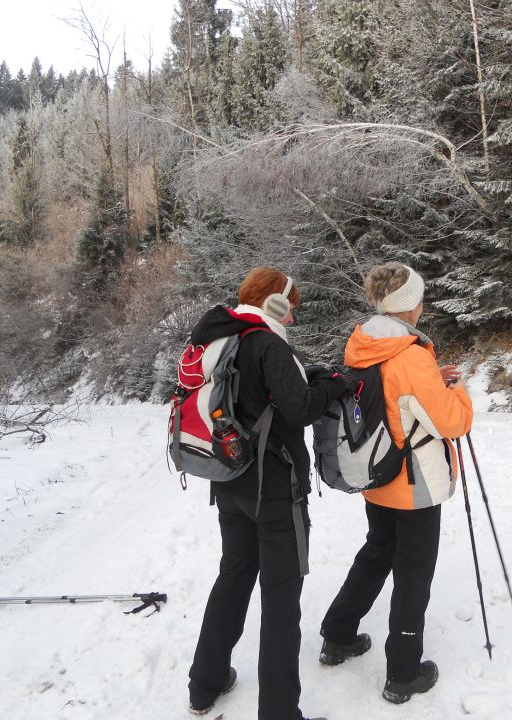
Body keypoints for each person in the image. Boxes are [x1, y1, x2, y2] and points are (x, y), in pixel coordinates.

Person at [187, 267, 350, 720]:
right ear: (275, 304)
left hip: (228, 481)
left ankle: (206, 681)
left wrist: (306, 378)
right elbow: (299, 409)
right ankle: (279, 712)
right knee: (281, 600)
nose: (293, 319)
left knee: (234, 575)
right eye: (290, 308)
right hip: (274, 491)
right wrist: (332, 383)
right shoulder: (267, 342)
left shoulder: (220, 337)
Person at [318, 262, 473, 704]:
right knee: (413, 573)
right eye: (420, 299)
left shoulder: (362, 343)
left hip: (378, 473)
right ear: (410, 306)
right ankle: (403, 673)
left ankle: (338, 633)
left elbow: (394, 395)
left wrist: (431, 381)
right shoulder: (410, 354)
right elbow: (453, 422)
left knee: (376, 554)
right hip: (415, 483)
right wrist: (457, 389)